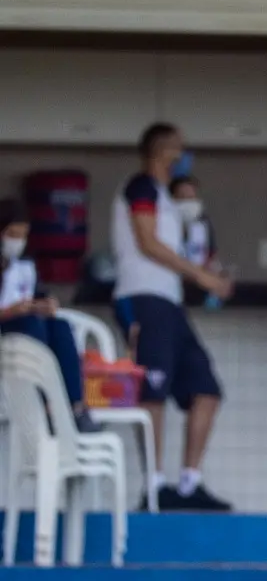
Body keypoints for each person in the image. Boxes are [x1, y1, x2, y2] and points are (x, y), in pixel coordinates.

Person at [112, 122, 234, 511]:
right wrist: (201, 277)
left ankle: (188, 484)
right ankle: (153, 487)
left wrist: (208, 270)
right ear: (162, 151)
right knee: (153, 390)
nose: (184, 156)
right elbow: (148, 243)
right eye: (179, 148)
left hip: (168, 302)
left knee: (206, 389)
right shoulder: (141, 187)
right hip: (142, 298)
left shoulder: (166, 197)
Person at [0, 199, 100, 433]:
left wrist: (46, 303)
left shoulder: (24, 264)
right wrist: (11, 311)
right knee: (33, 325)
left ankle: (75, 406)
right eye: (12, 234)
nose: (17, 241)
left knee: (60, 327)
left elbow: (37, 294)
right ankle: (45, 403)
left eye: (22, 235)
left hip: (25, 324)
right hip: (7, 329)